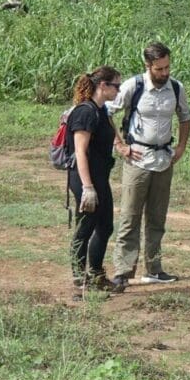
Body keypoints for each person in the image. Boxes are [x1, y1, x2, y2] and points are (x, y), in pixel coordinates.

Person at [109, 42, 190, 288]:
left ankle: (154, 268)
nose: (165, 73)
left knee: (157, 219)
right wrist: (120, 145)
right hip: (138, 159)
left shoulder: (176, 88)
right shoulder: (133, 86)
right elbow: (107, 112)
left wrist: (181, 147)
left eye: (167, 67)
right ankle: (123, 271)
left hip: (164, 160)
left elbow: (185, 117)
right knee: (129, 217)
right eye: (159, 69)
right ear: (148, 66)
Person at [67, 66, 125, 301]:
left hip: (100, 177)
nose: (118, 90)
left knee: (105, 226)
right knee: (85, 227)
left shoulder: (101, 112)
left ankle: (96, 274)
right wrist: (87, 187)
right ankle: (79, 278)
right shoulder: (85, 113)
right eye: (116, 86)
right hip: (85, 179)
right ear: (103, 85)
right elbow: (80, 152)